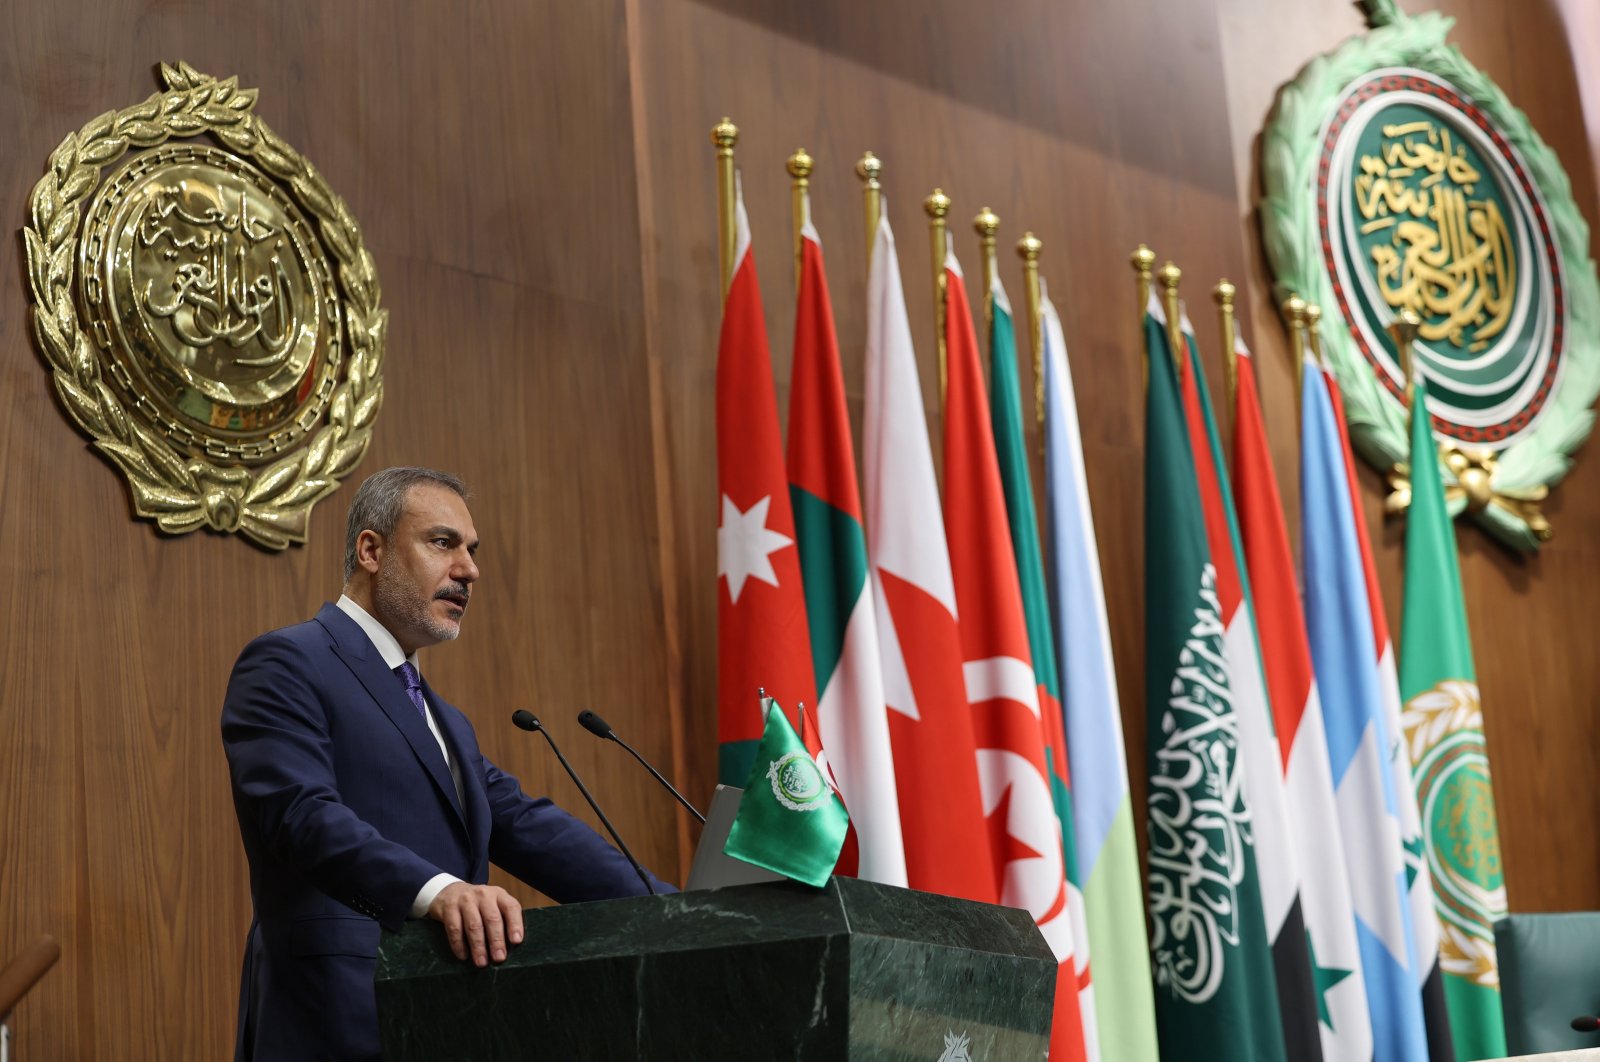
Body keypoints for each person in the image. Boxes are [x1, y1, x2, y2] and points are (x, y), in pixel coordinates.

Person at [221, 466, 671, 1061]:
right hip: (331, 1020)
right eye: (443, 543)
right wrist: (438, 892)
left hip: (445, 1022)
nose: (469, 569)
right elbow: (299, 815)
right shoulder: (288, 662)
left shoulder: (445, 719)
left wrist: (673, 908)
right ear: (371, 550)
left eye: (472, 550)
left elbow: (526, 825)